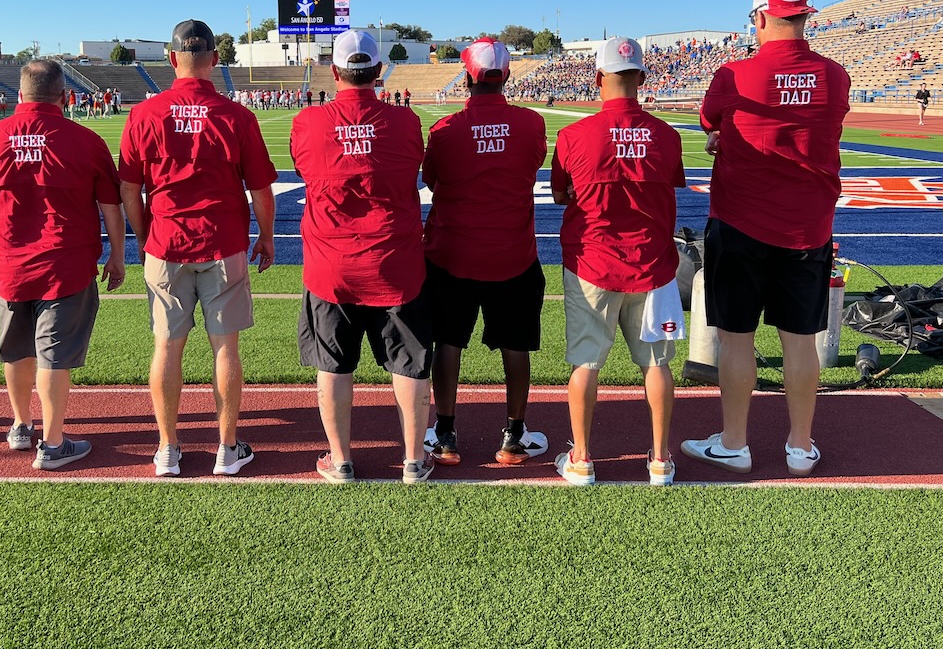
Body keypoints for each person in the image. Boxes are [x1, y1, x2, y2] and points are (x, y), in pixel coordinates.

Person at [682, 0, 850, 478]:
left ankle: (735, 442)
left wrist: (723, 141)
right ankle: (800, 446)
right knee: (800, 340)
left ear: (758, 18)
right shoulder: (835, 75)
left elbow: (712, 122)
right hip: (809, 227)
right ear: (805, 17)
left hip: (741, 222)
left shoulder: (734, 74)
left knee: (736, 337)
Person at [119, 19, 277, 478]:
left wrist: (145, 231)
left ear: (171, 60)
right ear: (214, 60)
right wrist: (266, 236)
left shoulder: (144, 115)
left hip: (165, 242)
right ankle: (227, 448)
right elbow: (262, 190)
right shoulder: (236, 116)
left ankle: (168, 447)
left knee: (166, 346)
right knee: (225, 347)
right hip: (223, 243)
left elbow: (129, 187)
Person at [0, 59, 126, 470]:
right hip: (65, 262)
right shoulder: (85, 140)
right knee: (53, 354)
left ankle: (21, 425)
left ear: (19, 94)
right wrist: (119, 255)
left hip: (8, 262)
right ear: (65, 96)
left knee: (17, 348)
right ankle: (53, 444)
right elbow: (111, 206)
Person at [291, 29, 434, 484]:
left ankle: (341, 459)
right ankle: (414, 460)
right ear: (378, 72)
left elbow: (304, 169)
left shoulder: (308, 123)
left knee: (332, 364)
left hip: (331, 266)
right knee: (410, 364)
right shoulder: (406, 122)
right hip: (395, 262)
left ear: (334, 72)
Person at [551, 37, 686, 486]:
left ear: (597, 78)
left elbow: (560, 194)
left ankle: (583, 459)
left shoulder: (573, 136)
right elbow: (670, 183)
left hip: (593, 261)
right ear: (643, 79)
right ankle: (661, 460)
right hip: (652, 264)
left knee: (586, 364)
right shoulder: (666, 136)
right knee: (656, 364)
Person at [420, 38, 549, 467]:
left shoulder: (445, 130)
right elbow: (528, 170)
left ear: (468, 78)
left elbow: (433, 182)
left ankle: (445, 433)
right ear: (506, 76)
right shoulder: (531, 124)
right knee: (516, 347)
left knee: (448, 342)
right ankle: (514, 435)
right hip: (513, 253)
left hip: (452, 253)